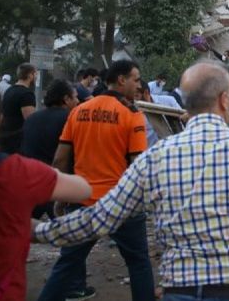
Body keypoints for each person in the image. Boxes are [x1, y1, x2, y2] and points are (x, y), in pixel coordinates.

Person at [34, 63, 229, 301]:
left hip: (185, 288)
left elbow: (100, 218)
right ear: (224, 100)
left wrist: (39, 231)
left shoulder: (157, 156)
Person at [39, 60, 154, 301]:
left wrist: (60, 194)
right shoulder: (132, 115)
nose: (138, 84)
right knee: (139, 264)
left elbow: (60, 159)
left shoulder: (78, 111)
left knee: (68, 263)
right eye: (135, 79)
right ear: (121, 80)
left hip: (83, 202)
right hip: (122, 204)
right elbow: (138, 165)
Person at [0, 81, 91, 301]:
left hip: (32, 180)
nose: (78, 101)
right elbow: (83, 189)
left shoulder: (33, 118)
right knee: (73, 245)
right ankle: (76, 286)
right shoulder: (13, 172)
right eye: (75, 97)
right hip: (38, 184)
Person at [22, 80, 80, 166]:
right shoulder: (70, 119)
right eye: (75, 97)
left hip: (29, 172)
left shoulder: (31, 118)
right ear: (66, 99)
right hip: (54, 174)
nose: (78, 101)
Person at [0, 63, 37, 154]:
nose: (36, 77)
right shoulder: (26, 94)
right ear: (30, 75)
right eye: (35, 74)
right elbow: (30, 121)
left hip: (4, 137)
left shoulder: (9, 90)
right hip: (17, 141)